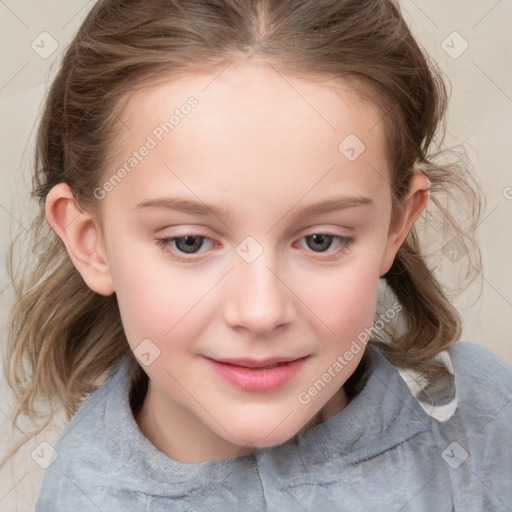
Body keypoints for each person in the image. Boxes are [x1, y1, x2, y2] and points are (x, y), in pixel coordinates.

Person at [2, 0, 511, 510]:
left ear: (395, 226)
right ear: (90, 242)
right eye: (189, 242)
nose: (261, 312)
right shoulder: (82, 496)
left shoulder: (486, 421)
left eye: (320, 240)